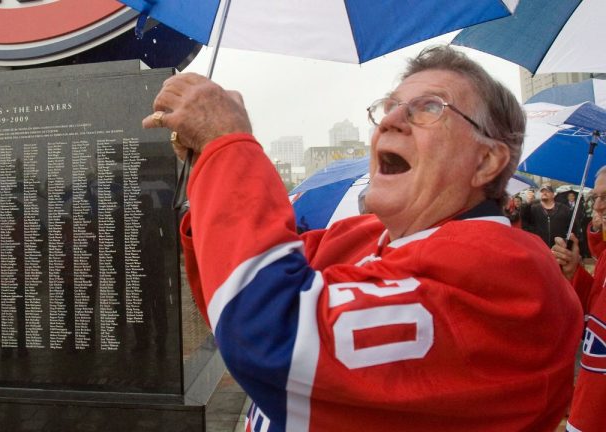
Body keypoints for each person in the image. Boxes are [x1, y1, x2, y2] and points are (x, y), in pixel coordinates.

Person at [144, 46, 581, 431]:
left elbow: (269, 333)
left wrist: (228, 145)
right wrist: (209, 157)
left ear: (486, 161)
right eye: (388, 106)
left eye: (428, 108)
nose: (390, 120)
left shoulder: (509, 272)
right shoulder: (367, 234)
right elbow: (233, 292)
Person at [553, 167, 606, 432]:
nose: (597, 206)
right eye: (596, 197)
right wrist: (576, 272)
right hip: (590, 401)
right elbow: (596, 312)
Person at [521, 183, 572, 248]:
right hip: (539, 247)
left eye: (547, 191)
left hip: (558, 248)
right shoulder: (533, 208)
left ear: (553, 195)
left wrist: (567, 244)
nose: (544, 193)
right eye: (542, 191)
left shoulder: (564, 209)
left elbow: (571, 228)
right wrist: (528, 203)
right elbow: (524, 221)